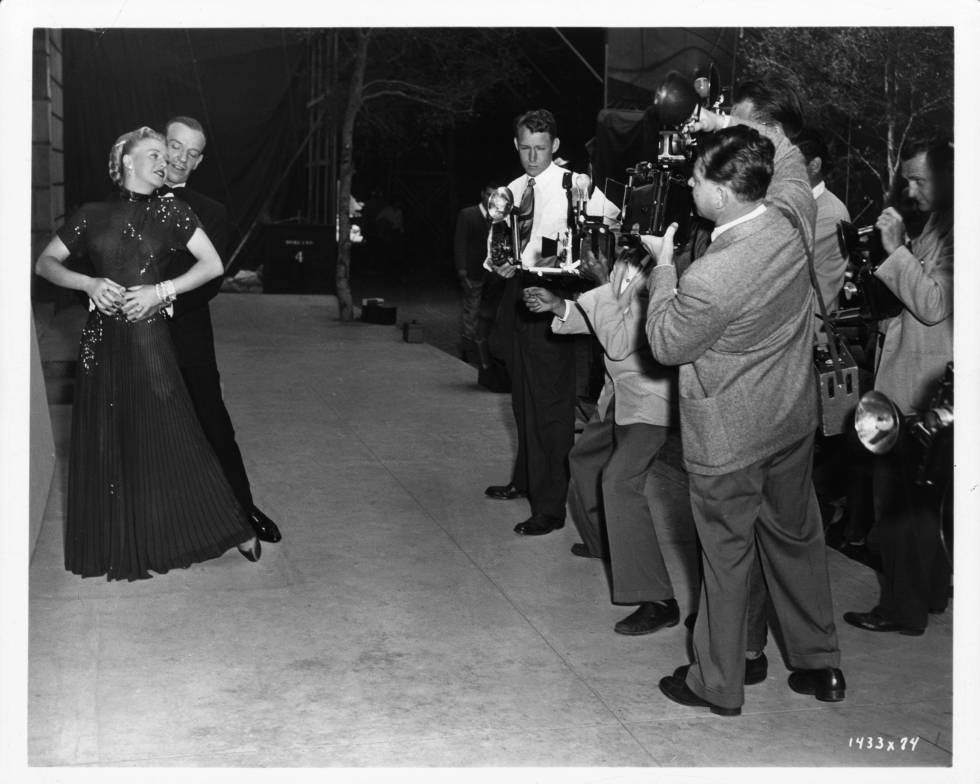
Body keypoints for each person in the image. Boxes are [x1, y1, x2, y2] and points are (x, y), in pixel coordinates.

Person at [644, 109, 843, 716]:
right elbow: (784, 156)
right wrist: (734, 123)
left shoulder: (710, 276)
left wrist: (663, 269)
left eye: (699, 179)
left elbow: (665, 343)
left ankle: (718, 683)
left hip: (729, 437)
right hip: (789, 420)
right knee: (797, 539)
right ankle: (819, 667)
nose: (691, 186)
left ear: (727, 195)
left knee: (725, 557)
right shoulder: (792, 217)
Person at [34, 126, 259, 580]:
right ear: (125, 162)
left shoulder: (173, 211)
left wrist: (160, 291)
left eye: (168, 155)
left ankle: (230, 522)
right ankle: (116, 538)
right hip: (101, 344)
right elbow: (45, 263)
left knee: (176, 434)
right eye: (154, 154)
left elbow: (213, 265)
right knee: (106, 440)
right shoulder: (90, 214)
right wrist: (89, 284)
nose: (164, 162)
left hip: (150, 341)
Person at [524, 242, 680, 635]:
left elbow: (620, 341)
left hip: (651, 400)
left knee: (618, 483)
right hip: (617, 397)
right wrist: (559, 306)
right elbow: (597, 309)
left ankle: (658, 598)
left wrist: (596, 279)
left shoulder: (663, 270)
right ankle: (607, 545)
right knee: (584, 462)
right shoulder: (628, 261)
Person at [144, 115, 281, 545]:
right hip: (132, 337)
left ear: (200, 161)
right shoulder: (127, 201)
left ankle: (242, 511)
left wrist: (157, 305)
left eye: (193, 152)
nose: (181, 158)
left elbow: (210, 284)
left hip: (187, 334)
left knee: (214, 426)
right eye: (175, 145)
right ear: (159, 144)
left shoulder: (212, 212)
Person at [483, 109, 619, 536]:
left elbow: (613, 221)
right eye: (525, 147)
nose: (533, 156)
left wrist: (575, 262)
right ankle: (525, 480)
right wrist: (498, 264)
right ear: (515, 144)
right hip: (516, 292)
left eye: (541, 148)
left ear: (555, 146)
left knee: (551, 406)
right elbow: (498, 243)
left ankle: (551, 506)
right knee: (522, 397)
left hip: (554, 293)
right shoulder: (510, 190)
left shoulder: (575, 185)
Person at [843, 134, 953, 636]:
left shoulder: (960, 232)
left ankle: (901, 609)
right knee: (919, 505)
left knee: (901, 505)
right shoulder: (939, 224)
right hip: (910, 384)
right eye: (905, 178)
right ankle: (928, 595)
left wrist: (895, 250)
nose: (908, 189)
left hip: (922, 391)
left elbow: (933, 304)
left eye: (917, 179)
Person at [454, 185, 495, 362]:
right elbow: (460, 242)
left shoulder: (499, 216)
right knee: (471, 310)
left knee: (489, 312)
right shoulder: (467, 214)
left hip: (493, 273)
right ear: (482, 194)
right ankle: (468, 349)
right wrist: (462, 269)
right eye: (488, 193)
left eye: (494, 195)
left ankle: (485, 349)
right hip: (473, 271)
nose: (491, 198)